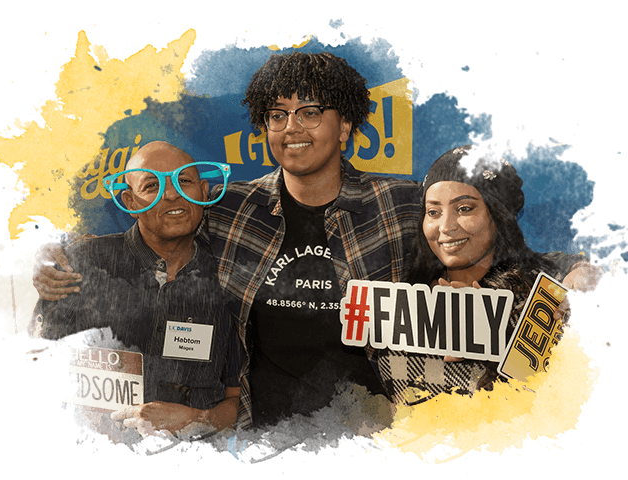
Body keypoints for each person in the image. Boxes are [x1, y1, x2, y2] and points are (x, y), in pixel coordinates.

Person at [32, 52, 602, 449]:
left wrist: (572, 269)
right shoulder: (233, 208)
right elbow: (154, 222)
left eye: (310, 112)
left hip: (378, 435)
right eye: (278, 115)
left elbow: (495, 241)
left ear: (345, 124)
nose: (292, 128)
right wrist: (58, 251)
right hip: (260, 437)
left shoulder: (400, 203)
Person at [28, 141, 244, 448]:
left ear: (204, 191)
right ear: (130, 202)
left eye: (184, 180)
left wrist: (197, 420)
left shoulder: (229, 282)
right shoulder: (80, 265)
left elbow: (237, 402)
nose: (172, 194)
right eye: (152, 185)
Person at [378, 146, 604, 405]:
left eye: (464, 208)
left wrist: (492, 341)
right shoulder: (406, 298)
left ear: (498, 216)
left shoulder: (541, 292)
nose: (446, 226)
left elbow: (553, 402)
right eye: (433, 212)